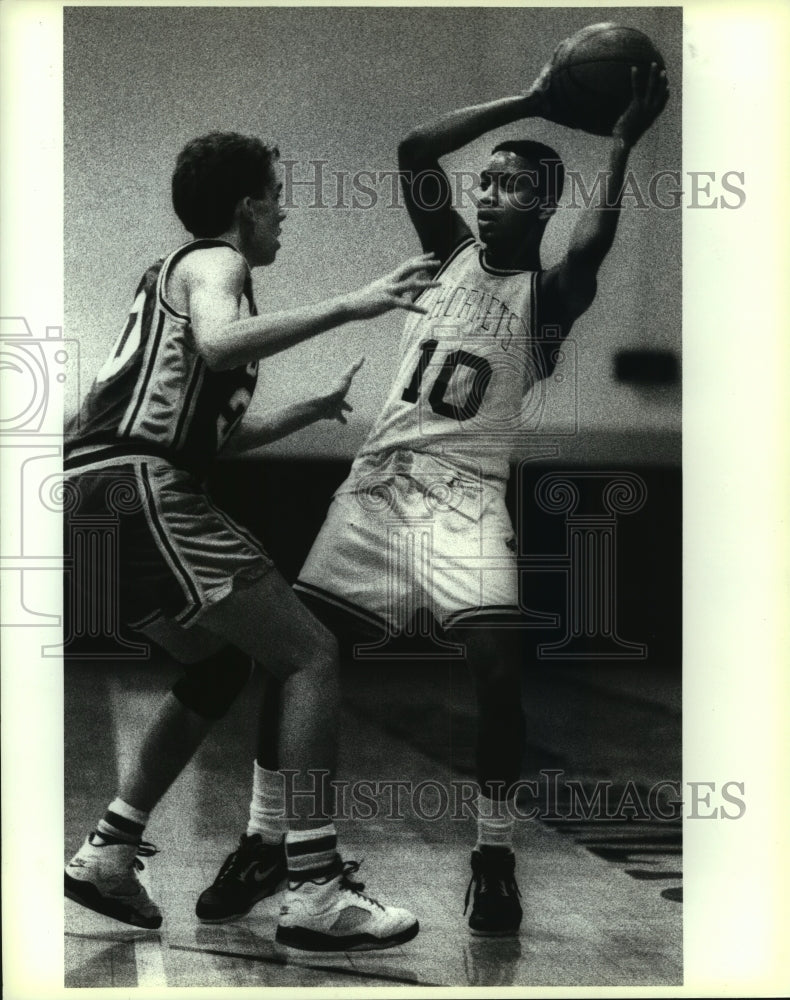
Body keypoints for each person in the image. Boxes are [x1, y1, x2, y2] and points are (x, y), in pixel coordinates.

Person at [299, 61, 666, 935]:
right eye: (488, 181)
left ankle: (493, 858)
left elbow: (595, 242)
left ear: (541, 206)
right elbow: (416, 148)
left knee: (502, 672)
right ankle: (263, 836)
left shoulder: (548, 300)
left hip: (467, 498)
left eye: (512, 186)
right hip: (380, 486)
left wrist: (616, 146)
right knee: (296, 661)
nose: (491, 192)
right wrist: (538, 97)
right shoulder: (448, 251)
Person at [63, 130, 440, 952]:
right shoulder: (214, 264)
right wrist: (354, 301)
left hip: (100, 491)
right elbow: (220, 343)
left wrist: (304, 414)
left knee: (220, 663)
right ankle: (313, 884)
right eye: (278, 197)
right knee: (308, 654)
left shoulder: (179, 278)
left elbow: (205, 436)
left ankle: (109, 853)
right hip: (137, 486)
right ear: (246, 206)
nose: (285, 215)